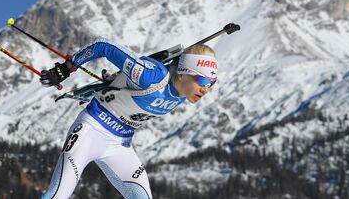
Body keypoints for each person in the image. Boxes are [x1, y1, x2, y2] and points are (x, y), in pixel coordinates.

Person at [39, 37, 218, 199]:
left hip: (119, 145)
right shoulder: (150, 77)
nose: (206, 89)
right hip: (90, 131)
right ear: (182, 73)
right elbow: (104, 46)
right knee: (56, 196)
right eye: (202, 81)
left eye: (211, 83)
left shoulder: (183, 92)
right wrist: (66, 68)